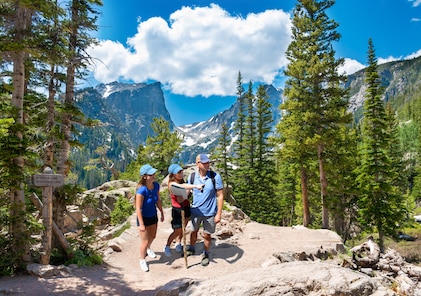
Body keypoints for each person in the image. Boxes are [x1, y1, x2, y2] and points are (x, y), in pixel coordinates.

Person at [187, 153, 224, 266]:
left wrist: (218, 214)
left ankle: (205, 253)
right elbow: (188, 191)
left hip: (210, 212)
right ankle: (192, 247)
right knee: (193, 231)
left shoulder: (215, 177)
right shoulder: (192, 177)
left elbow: (220, 195)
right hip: (195, 211)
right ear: (198, 164)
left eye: (208, 162)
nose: (207, 164)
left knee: (207, 235)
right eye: (204, 162)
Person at [163, 164, 204, 257]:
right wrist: (194, 187)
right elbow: (182, 193)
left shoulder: (182, 182)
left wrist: (188, 191)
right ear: (173, 174)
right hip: (177, 209)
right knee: (177, 230)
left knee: (183, 227)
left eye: (181, 171)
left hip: (185, 207)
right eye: (178, 172)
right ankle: (167, 246)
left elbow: (185, 194)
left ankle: (178, 243)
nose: (181, 174)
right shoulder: (172, 184)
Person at [135, 164, 164, 272]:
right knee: (145, 240)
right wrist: (141, 224)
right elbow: (138, 208)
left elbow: (158, 199)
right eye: (151, 174)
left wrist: (161, 212)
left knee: (153, 236)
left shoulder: (156, 185)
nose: (154, 175)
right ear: (145, 176)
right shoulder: (141, 190)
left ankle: (148, 249)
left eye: (154, 173)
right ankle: (142, 260)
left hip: (153, 214)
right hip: (143, 217)